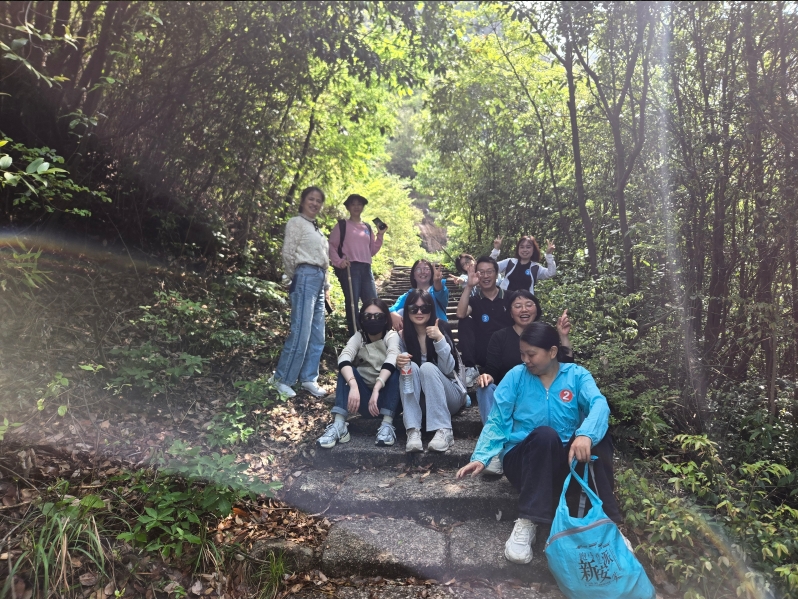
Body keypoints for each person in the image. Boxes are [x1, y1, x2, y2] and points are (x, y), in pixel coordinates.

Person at [456, 322, 621, 566]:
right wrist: (482, 456)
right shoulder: (516, 376)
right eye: (522, 354)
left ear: (552, 352)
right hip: (524, 462)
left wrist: (586, 434)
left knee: (599, 436)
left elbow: (599, 404)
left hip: (564, 461)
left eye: (531, 354)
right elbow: (498, 420)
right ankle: (528, 520)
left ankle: (609, 523)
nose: (525, 360)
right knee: (545, 435)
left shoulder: (576, 375)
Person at [476, 293, 573, 475]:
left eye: (529, 304)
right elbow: (492, 370)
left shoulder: (545, 334)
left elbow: (565, 370)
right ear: (510, 312)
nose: (524, 309)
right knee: (484, 388)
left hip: (539, 394)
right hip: (509, 396)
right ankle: (495, 450)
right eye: (517, 305)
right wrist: (486, 376)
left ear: (536, 309)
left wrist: (563, 336)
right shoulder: (500, 337)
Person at [270, 186, 331, 398]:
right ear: (303, 201)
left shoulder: (317, 228)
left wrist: (327, 287)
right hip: (304, 276)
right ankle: (282, 379)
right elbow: (288, 253)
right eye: (311, 199)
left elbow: (324, 261)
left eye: (318, 200)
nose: (315, 203)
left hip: (319, 281)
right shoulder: (296, 222)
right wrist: (293, 276)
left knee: (317, 334)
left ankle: (308, 378)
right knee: (301, 332)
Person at [316, 298, 401, 449]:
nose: (373, 320)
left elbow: (393, 356)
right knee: (346, 370)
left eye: (378, 316)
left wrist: (377, 387)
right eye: (368, 316)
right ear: (362, 319)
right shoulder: (359, 337)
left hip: (389, 398)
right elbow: (344, 356)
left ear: (385, 319)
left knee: (398, 370)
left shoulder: (391, 336)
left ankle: (387, 424)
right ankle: (339, 424)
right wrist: (353, 385)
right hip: (365, 400)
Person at [396, 289, 467, 453]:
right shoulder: (403, 336)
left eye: (425, 308)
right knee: (409, 366)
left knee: (427, 367)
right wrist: (397, 361)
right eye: (414, 308)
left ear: (431, 309)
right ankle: (413, 430)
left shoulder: (441, 327)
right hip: (423, 401)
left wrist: (439, 339)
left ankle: (444, 430)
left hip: (450, 395)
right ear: (407, 311)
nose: (419, 312)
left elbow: (448, 369)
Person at [328, 194, 386, 337]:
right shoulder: (342, 225)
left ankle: (372, 334)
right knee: (352, 303)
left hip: (366, 268)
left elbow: (371, 251)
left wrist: (380, 235)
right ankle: (355, 336)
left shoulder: (367, 227)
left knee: (372, 302)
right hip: (350, 268)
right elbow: (331, 246)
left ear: (363, 207)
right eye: (353, 204)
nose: (356, 207)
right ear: (348, 207)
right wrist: (339, 262)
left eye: (359, 204)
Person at [455, 255, 512, 387]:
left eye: (489, 272)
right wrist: (469, 286)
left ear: (496, 274)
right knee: (464, 321)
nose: (485, 276)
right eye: (481, 272)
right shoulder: (474, 300)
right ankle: (470, 367)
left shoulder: (510, 297)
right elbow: (460, 314)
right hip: (484, 352)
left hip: (507, 350)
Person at [389, 259, 449, 331]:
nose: (423, 272)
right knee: (400, 312)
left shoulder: (437, 290)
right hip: (418, 333)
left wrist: (437, 281)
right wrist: (393, 314)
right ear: (413, 275)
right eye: (418, 269)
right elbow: (392, 308)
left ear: (432, 273)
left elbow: (440, 292)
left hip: (439, 331)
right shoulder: (408, 295)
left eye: (426, 269)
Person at [490, 235, 556, 294]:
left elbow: (551, 273)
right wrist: (496, 250)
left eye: (528, 247)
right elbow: (490, 267)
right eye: (522, 247)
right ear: (518, 249)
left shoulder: (535, 267)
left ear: (533, 249)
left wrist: (549, 255)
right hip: (505, 300)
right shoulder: (510, 262)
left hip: (525, 302)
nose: (525, 250)